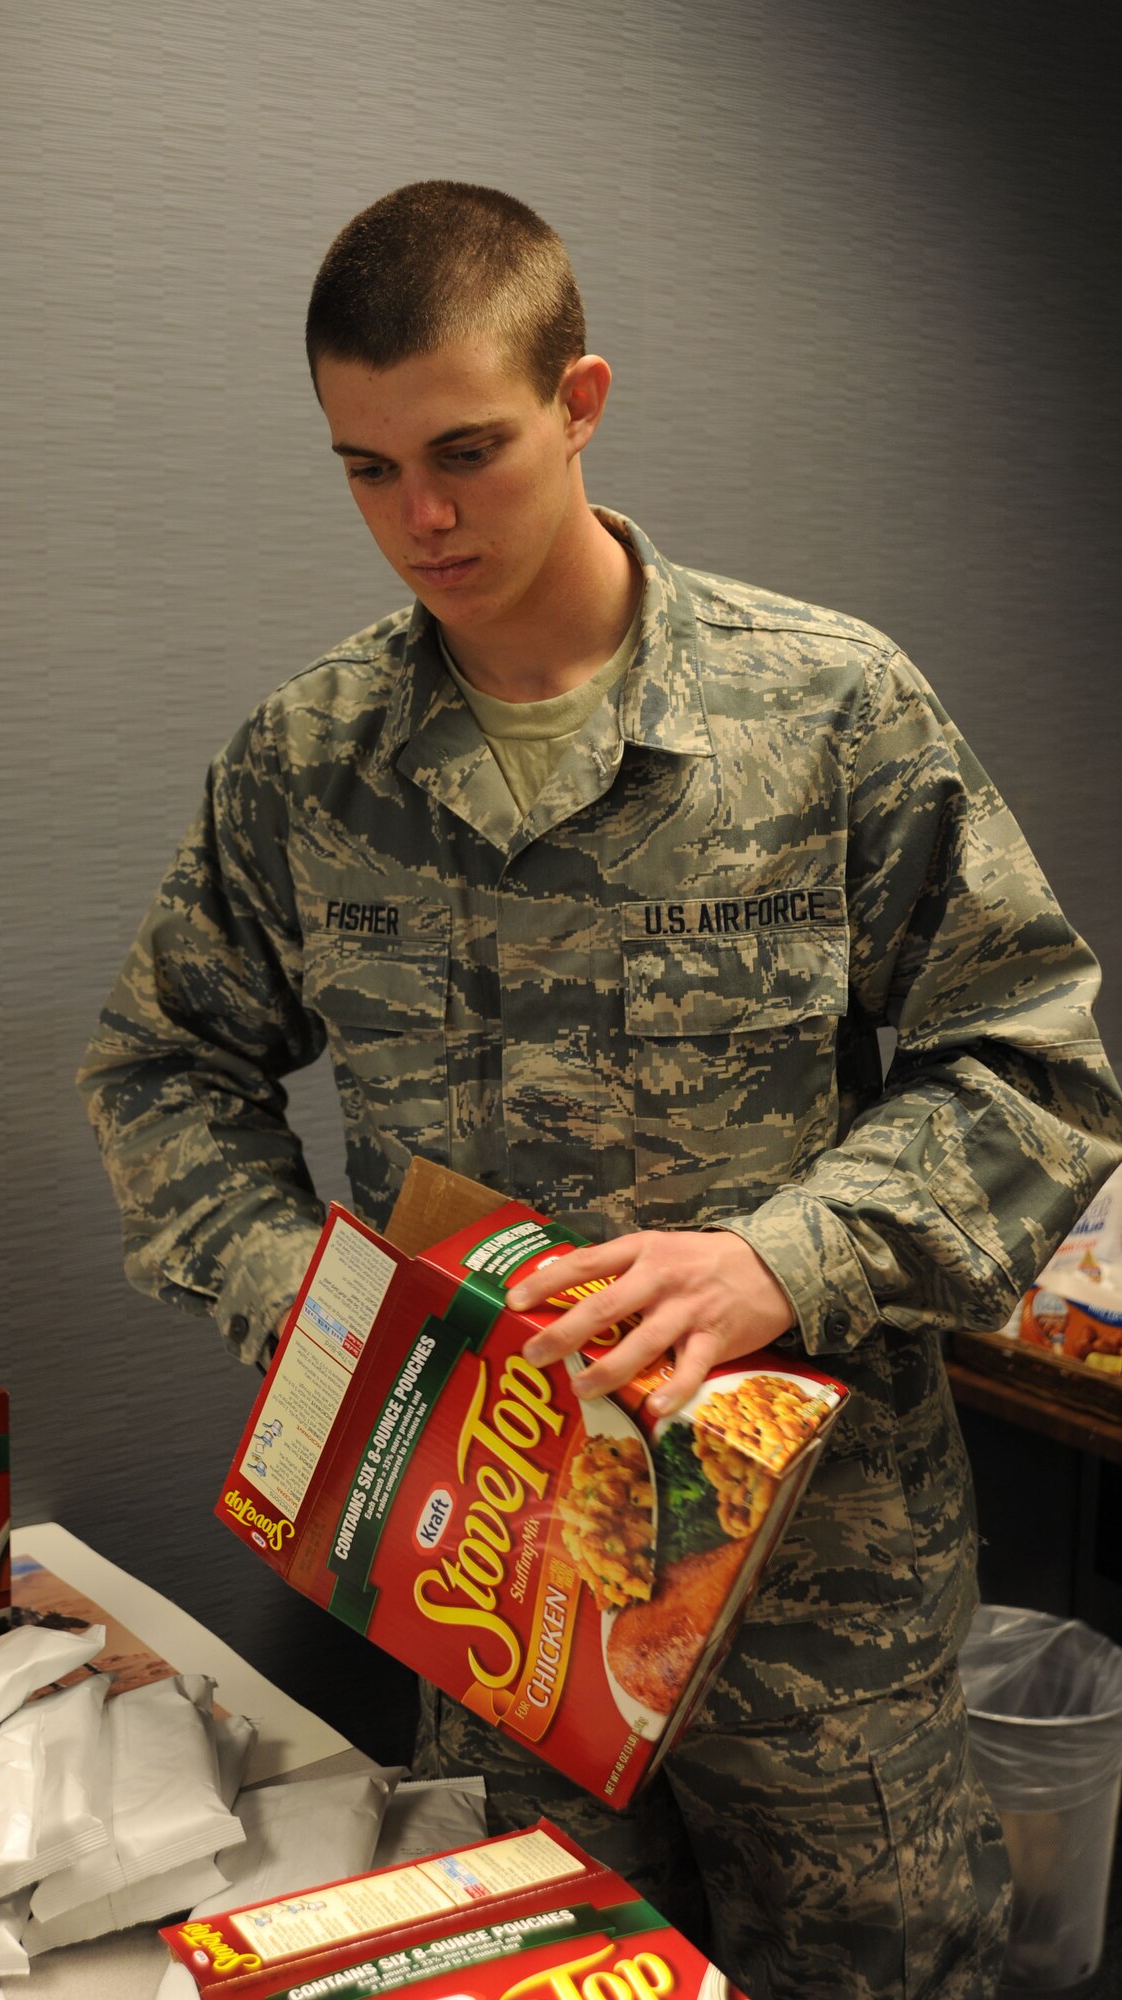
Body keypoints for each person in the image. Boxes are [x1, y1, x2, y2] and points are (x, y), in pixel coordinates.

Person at [78, 181, 1122, 1999]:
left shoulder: (826, 710)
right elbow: (164, 1073)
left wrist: (780, 1258)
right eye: (365, 469)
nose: (421, 518)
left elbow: (1029, 1062)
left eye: (466, 450)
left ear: (581, 400)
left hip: (826, 1590)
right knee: (549, 1973)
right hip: (500, 1589)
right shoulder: (314, 762)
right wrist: (337, 1320)